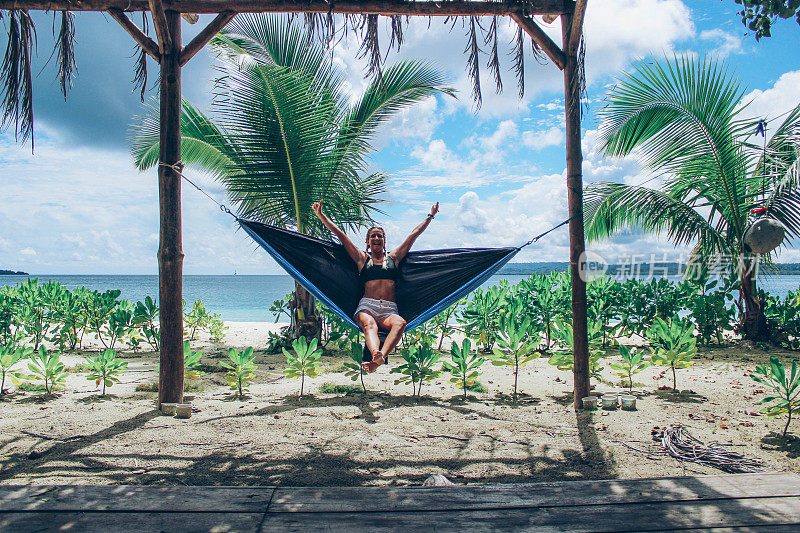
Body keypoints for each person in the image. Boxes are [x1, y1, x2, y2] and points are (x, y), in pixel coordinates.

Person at [312, 200, 439, 372]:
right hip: (367, 307)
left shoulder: (394, 258)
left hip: (389, 309)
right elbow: (341, 235)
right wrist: (321, 216)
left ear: (384, 241)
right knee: (369, 325)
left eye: (380, 235)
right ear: (368, 241)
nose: (377, 238)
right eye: (373, 236)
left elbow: (413, 235)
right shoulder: (361, 258)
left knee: (400, 323)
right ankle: (375, 354)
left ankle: (379, 358)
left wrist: (430, 216)